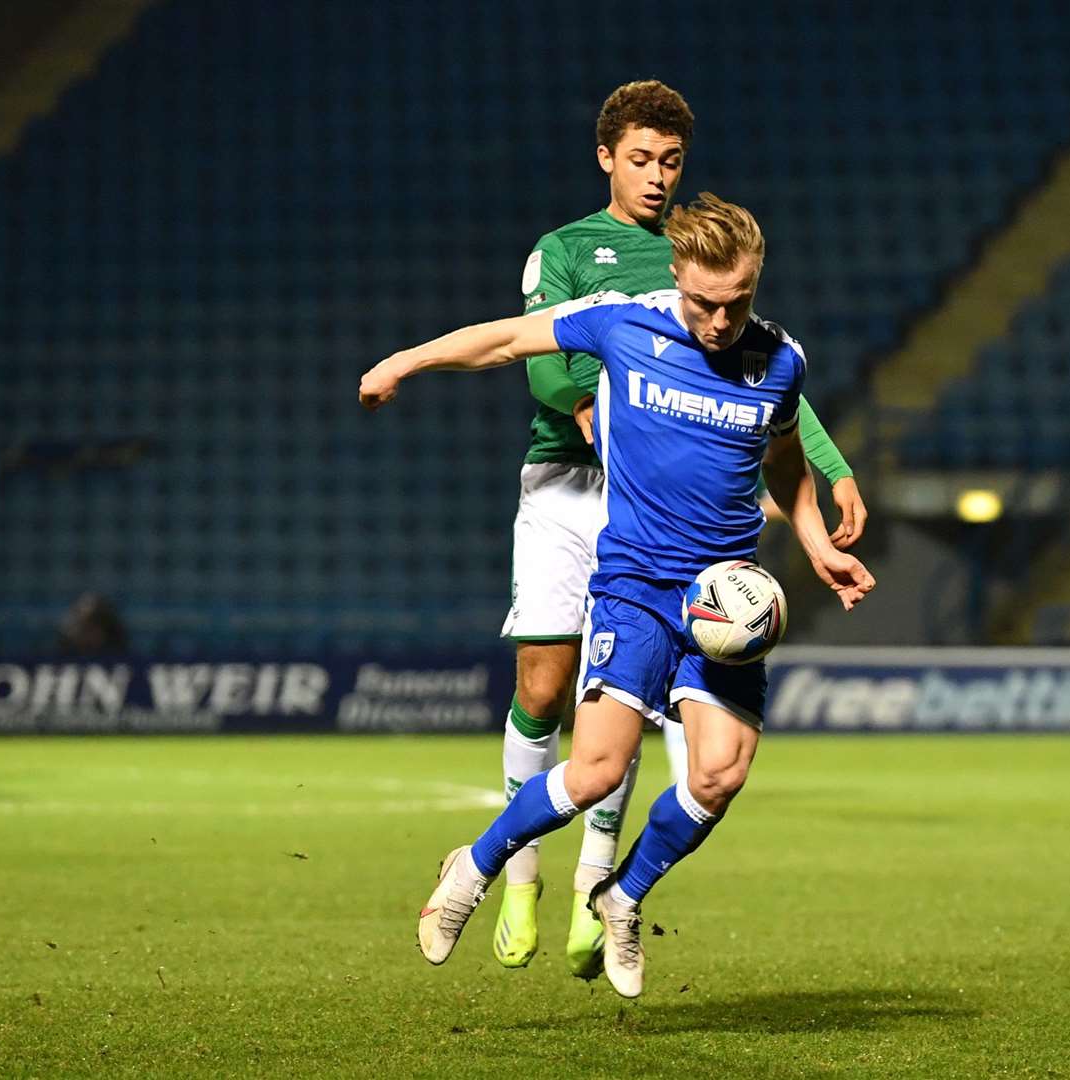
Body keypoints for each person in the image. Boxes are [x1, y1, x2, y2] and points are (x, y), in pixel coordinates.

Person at [360, 193, 875, 997]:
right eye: (704, 302)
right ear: (677, 275)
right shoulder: (622, 321)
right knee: (597, 770)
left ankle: (621, 895)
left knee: (718, 777)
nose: (718, 320)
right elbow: (505, 339)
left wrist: (814, 547)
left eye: (737, 301)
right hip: (636, 582)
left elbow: (782, 465)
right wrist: (404, 362)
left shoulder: (781, 363)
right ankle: (474, 867)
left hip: (721, 598)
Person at [495, 80, 867, 976]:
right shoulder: (567, 249)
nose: (658, 177)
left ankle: (599, 881)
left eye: (671, 161)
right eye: (640, 159)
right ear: (605, 159)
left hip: (670, 499)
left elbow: (767, 389)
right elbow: (547, 368)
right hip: (571, 487)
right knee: (545, 689)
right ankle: (519, 875)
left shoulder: (700, 262)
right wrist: (605, 417)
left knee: (632, 695)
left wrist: (831, 466)